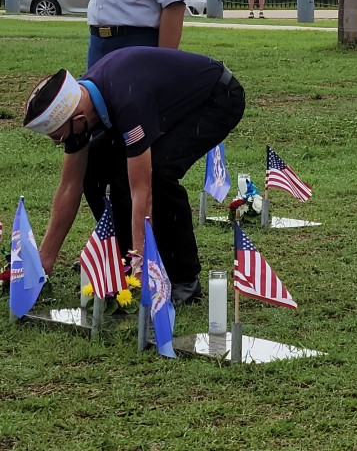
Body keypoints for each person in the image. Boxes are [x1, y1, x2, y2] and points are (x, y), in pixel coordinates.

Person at [23, 48, 246, 302]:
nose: (59, 143)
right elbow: (69, 186)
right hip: (158, 101)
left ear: (81, 119)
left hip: (217, 99)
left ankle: (183, 278)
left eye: (58, 137)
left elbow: (143, 190)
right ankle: (120, 257)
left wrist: (141, 269)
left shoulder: (127, 102)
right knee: (94, 167)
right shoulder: (83, 105)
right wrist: (44, 261)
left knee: (160, 172)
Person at [76, 0, 189, 261]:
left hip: (140, 50)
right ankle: (116, 249)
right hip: (100, 50)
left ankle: (176, 268)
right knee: (94, 163)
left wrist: (164, 73)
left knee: (149, 166)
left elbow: (172, 7)